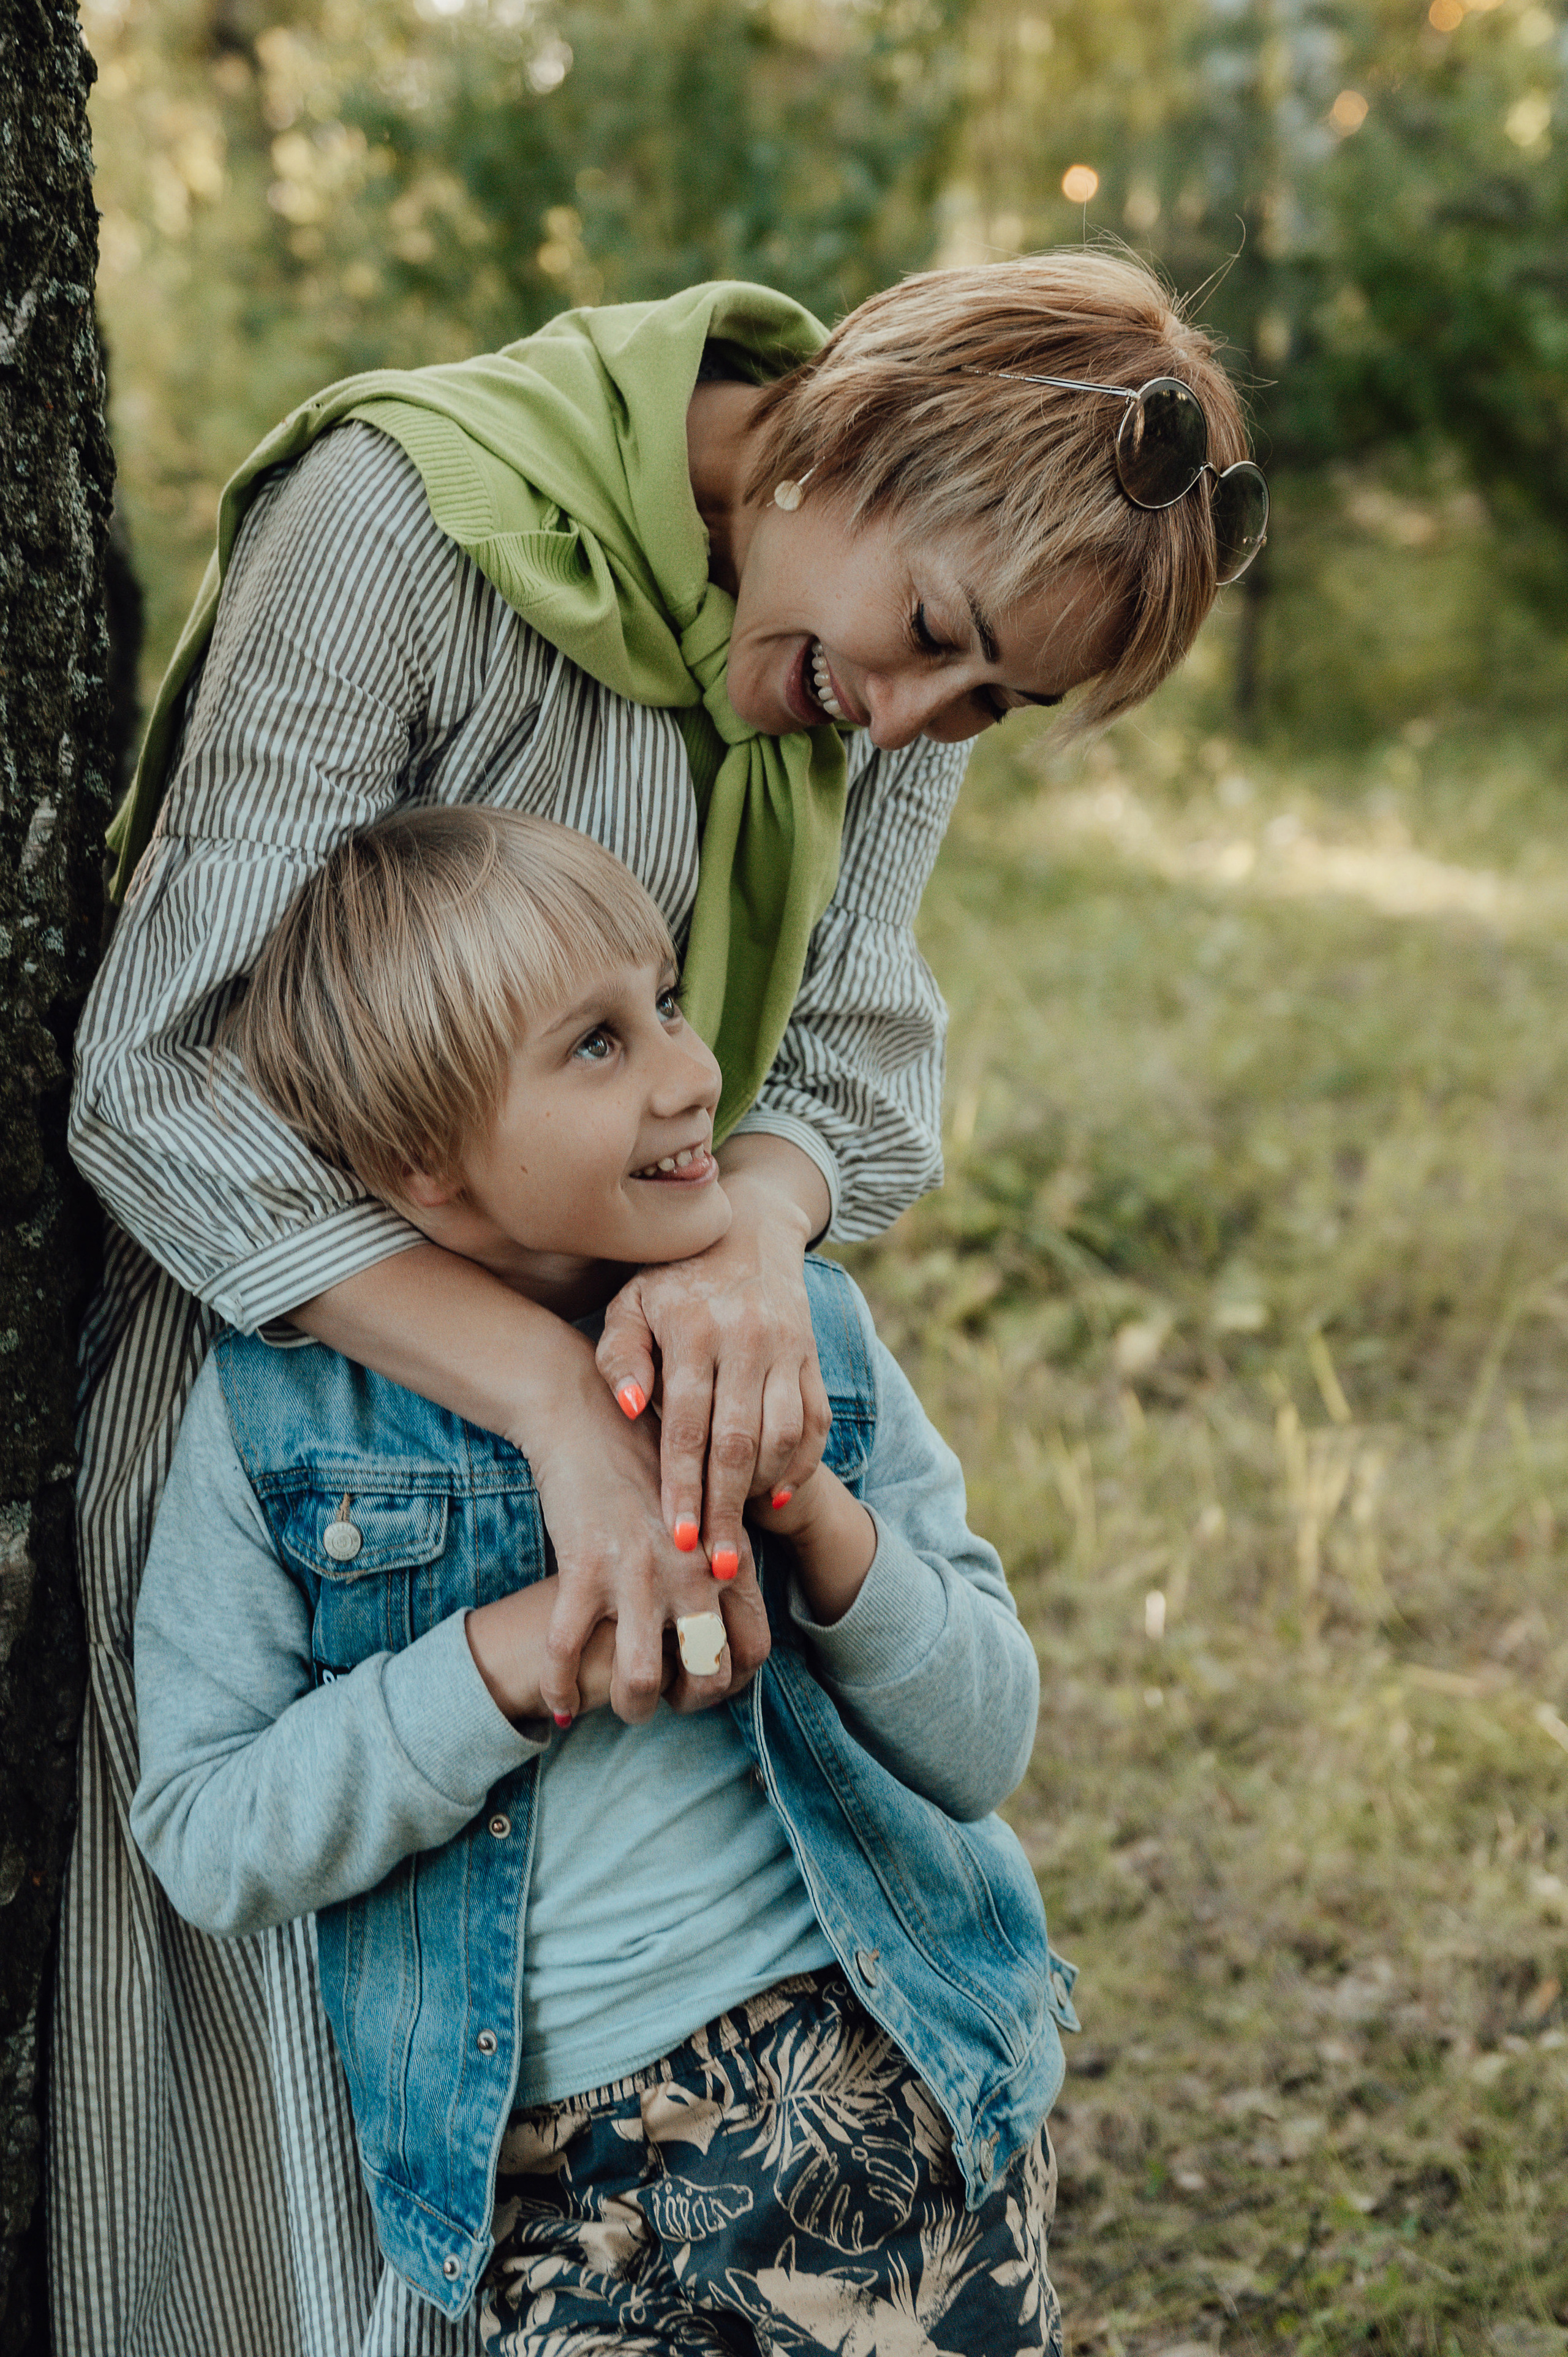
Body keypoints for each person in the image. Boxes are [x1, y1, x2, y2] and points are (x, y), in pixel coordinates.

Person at [61, 251, 1261, 2354]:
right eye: (934, 649)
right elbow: (169, 1076)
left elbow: (860, 1066)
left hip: (645, 1333)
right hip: (330, 1363)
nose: (904, 726)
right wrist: (544, 1393)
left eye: (987, 706)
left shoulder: (881, 658)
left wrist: (742, 1257)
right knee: (331, 2195)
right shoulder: (407, 522)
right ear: (852, 432)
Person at [130, 803, 1081, 2354]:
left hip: (872, 2077)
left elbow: (984, 1743)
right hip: (540, 2186)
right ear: (418, 1164)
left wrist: (813, 1512)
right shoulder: (274, 1425)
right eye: (594, 1044)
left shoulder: (798, 1333)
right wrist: (504, 1660)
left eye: (669, 1001)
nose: (692, 1072)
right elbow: (207, 1836)